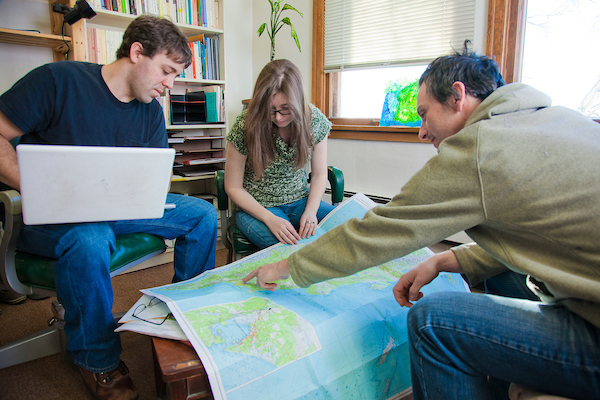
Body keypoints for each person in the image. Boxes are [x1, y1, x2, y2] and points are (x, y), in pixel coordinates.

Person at [243, 44, 600, 400]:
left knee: (432, 322)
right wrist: (445, 259)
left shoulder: (481, 149)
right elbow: (535, 239)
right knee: (503, 272)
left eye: (425, 114)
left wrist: (288, 266)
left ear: (458, 96)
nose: (422, 132)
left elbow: (381, 231)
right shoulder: (559, 119)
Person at [0, 15, 217, 400]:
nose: (169, 85)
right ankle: (97, 360)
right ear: (137, 53)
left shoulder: (149, 109)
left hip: (114, 208)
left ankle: (181, 318)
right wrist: (32, 184)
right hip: (54, 214)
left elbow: (144, 176)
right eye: (167, 71)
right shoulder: (58, 81)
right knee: (90, 237)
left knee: (202, 214)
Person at [224, 59, 334, 249]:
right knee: (292, 250)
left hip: (300, 201)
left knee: (347, 231)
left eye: (285, 110)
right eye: (271, 110)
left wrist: (311, 211)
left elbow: (319, 174)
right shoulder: (245, 124)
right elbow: (233, 187)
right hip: (257, 208)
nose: (278, 117)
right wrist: (270, 218)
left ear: (298, 103)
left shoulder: (314, 120)